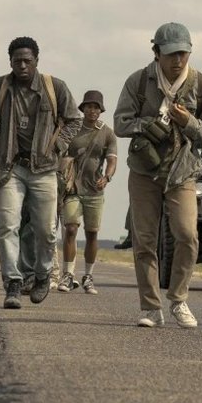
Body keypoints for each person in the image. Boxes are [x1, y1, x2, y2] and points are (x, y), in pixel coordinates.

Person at [113, 22, 202, 327]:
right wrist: (147, 125)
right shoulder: (138, 81)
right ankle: (150, 307)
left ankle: (178, 299)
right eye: (172, 53)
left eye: (183, 53)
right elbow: (120, 123)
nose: (178, 60)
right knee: (144, 240)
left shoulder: (201, 84)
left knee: (187, 235)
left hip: (182, 171)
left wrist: (188, 122)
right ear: (156, 52)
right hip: (144, 170)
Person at [0, 37, 79, 309]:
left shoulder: (54, 87)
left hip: (44, 169)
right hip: (12, 168)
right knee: (8, 226)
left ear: (36, 61)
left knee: (46, 230)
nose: (22, 65)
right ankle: (13, 283)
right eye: (17, 61)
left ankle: (43, 275)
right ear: (10, 62)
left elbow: (74, 120)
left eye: (27, 61)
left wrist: (57, 145)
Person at [57, 89, 118, 294]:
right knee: (71, 228)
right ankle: (67, 274)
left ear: (101, 110)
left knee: (92, 233)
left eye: (96, 107)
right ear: (83, 109)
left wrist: (107, 177)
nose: (93, 110)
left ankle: (88, 276)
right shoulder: (73, 129)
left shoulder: (107, 133)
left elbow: (112, 160)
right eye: (89, 107)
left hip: (94, 191)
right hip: (72, 187)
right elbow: (59, 150)